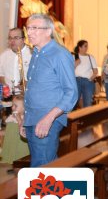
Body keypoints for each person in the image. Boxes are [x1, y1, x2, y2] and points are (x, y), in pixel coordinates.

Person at [22, 13, 78, 167]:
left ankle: (46, 192)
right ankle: (57, 191)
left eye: (35, 28)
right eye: (28, 28)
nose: (30, 32)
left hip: (47, 119)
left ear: (48, 31)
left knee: (42, 167)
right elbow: (34, 88)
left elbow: (71, 92)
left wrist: (49, 119)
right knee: (43, 164)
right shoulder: (36, 53)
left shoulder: (60, 54)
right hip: (32, 117)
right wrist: (25, 119)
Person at [0, 28, 32, 95]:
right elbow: (1, 75)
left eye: (16, 38)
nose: (12, 41)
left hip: (27, 97)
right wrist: (4, 86)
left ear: (24, 39)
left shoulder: (32, 55)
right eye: (10, 38)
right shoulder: (4, 55)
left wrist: (28, 84)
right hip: (9, 98)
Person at [0, 96, 29, 165]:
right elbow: (9, 131)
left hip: (20, 146)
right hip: (11, 143)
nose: (13, 107)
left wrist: (18, 118)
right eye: (12, 105)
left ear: (24, 108)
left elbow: (23, 130)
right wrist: (2, 132)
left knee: (20, 159)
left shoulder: (24, 119)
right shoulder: (11, 118)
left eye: (16, 106)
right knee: (11, 157)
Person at [73, 40, 98, 108]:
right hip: (76, 81)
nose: (87, 48)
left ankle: (87, 118)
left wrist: (90, 79)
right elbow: (68, 71)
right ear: (80, 47)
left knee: (88, 103)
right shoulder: (74, 56)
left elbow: (95, 71)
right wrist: (75, 64)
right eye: (85, 46)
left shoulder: (90, 57)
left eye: (87, 46)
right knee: (74, 102)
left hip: (87, 82)